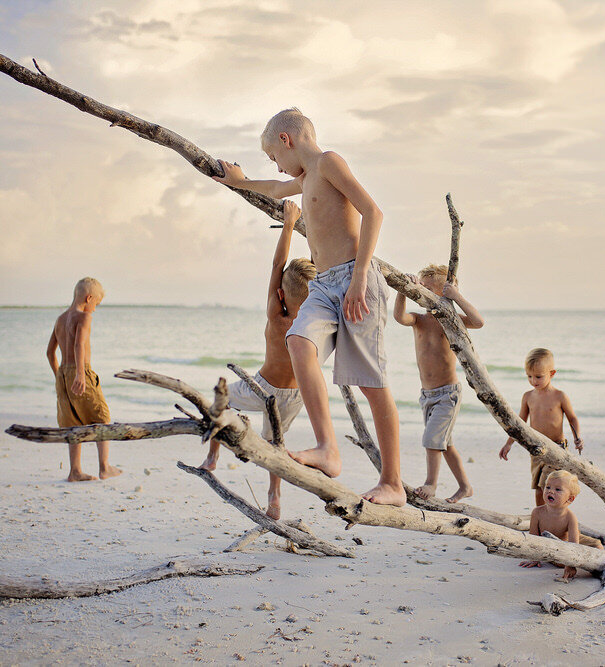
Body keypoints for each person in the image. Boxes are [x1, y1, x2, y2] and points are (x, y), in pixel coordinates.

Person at [213, 108, 405, 506]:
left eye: (274, 158)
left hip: (355, 280)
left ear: (287, 140)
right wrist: (239, 182)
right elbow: (272, 189)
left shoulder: (329, 162)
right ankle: (327, 449)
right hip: (324, 284)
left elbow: (374, 213)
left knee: (371, 385)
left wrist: (358, 278)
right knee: (298, 342)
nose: (278, 168)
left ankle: (393, 483)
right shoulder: (305, 177)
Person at [198, 200, 316, 519]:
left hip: (262, 390)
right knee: (275, 445)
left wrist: (289, 223)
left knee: (220, 401)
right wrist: (314, 233)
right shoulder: (316, 319)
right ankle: (274, 497)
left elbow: (277, 265)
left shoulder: (276, 314)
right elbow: (321, 274)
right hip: (296, 396)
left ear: (280, 293)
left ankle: (212, 458)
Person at [393, 264, 484, 503]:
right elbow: (399, 317)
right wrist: (403, 290)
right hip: (427, 395)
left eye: (429, 290)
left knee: (432, 439)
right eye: (421, 289)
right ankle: (465, 486)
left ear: (444, 294)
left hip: (447, 395)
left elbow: (478, 321)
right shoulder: (420, 320)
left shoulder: (451, 320)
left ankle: (431, 483)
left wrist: (458, 297)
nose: (423, 294)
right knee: (444, 443)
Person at [47, 277, 122, 482]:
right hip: (82, 372)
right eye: (96, 304)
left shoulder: (60, 319)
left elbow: (49, 353)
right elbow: (79, 345)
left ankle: (75, 471)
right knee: (102, 417)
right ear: (89, 298)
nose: (95, 310)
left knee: (73, 423)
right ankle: (104, 467)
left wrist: (59, 377)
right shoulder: (85, 317)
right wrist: (80, 374)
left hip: (63, 373)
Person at [498, 348, 581, 506]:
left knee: (553, 486)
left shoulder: (559, 396)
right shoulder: (528, 396)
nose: (533, 381)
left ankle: (557, 515)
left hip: (556, 449)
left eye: (538, 376)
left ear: (552, 373)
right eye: (529, 376)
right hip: (535, 449)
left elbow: (572, 419)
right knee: (538, 486)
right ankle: (541, 516)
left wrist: (577, 438)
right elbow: (519, 424)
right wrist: (508, 443)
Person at [521, 469, 603, 580]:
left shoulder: (570, 517)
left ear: (570, 498)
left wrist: (571, 565)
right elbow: (533, 538)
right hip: (551, 545)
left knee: (597, 545)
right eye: (548, 487)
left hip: (568, 542)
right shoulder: (537, 512)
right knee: (559, 561)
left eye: (558, 489)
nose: (550, 491)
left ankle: (603, 564)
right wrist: (534, 557)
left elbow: (575, 544)